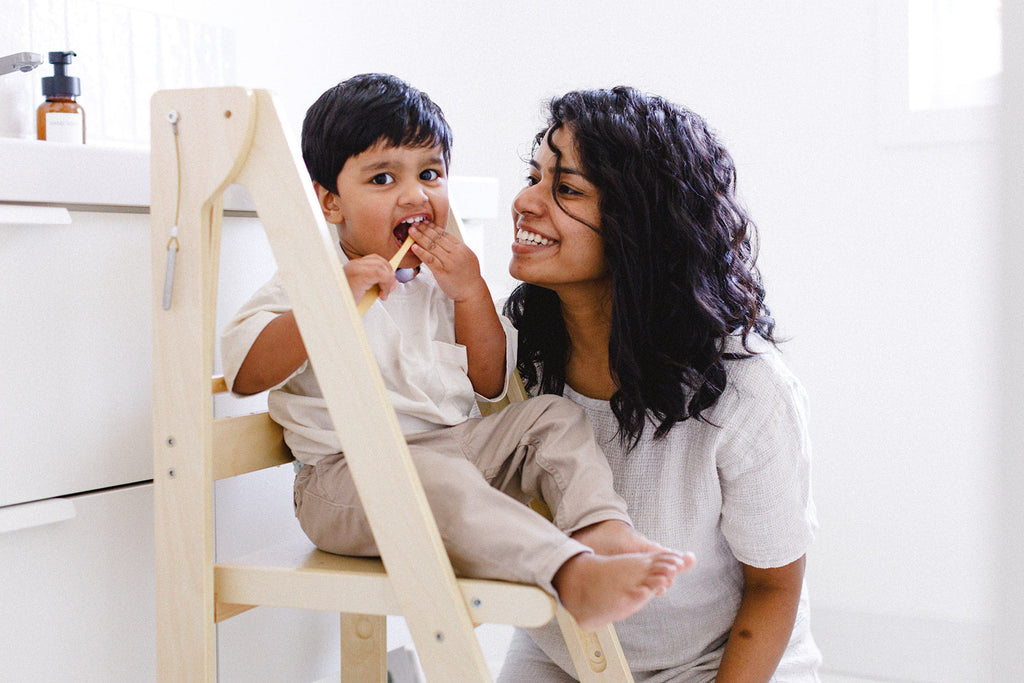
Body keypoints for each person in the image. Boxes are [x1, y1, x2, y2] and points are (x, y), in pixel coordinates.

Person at [220, 74, 693, 631]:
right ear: (330, 203)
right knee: (436, 480)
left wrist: (470, 293)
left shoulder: (442, 282)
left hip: (451, 452)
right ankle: (570, 573)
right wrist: (327, 304)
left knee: (552, 417)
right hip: (345, 484)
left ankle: (600, 528)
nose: (416, 195)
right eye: (381, 178)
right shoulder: (311, 278)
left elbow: (489, 383)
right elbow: (246, 374)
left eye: (430, 174)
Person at [498, 87, 820, 681]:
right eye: (533, 175)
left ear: (639, 224)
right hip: (565, 650)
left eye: (564, 188)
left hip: (717, 662)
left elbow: (775, 588)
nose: (524, 201)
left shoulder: (747, 389)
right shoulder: (510, 346)